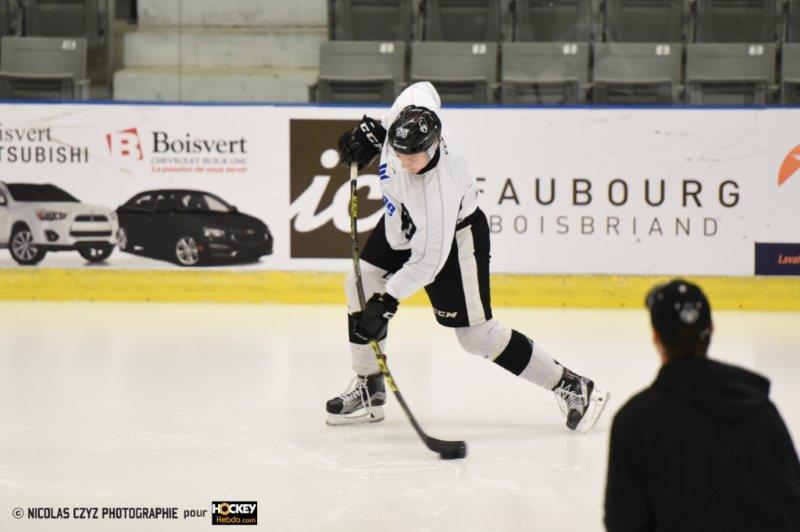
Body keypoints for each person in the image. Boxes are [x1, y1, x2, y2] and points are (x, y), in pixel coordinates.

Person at [324, 81, 608, 433]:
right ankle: (369, 385)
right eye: (397, 152)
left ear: (433, 147)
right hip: (403, 219)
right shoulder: (407, 119)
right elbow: (422, 87)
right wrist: (380, 127)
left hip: (455, 236)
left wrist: (387, 301)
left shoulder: (441, 190)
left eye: (412, 156)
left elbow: (428, 261)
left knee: (477, 336)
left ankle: (571, 385)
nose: (403, 161)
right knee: (359, 282)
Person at [604, 278, 800, 532]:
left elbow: (624, 523)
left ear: (655, 337)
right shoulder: (761, 409)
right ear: (712, 328)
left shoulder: (635, 421)